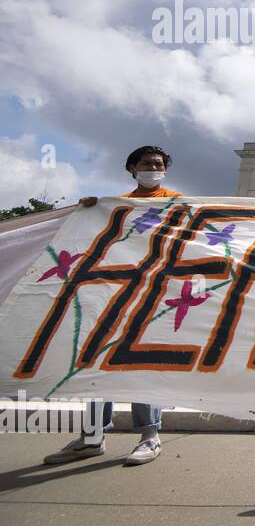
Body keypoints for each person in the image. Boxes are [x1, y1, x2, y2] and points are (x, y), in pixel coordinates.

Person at [44, 145, 180, 467]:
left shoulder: (175, 201)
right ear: (132, 168)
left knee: (139, 362)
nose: (154, 167)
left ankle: (149, 436)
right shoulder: (116, 204)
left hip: (153, 291)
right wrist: (87, 212)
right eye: (147, 163)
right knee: (93, 358)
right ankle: (92, 437)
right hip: (113, 288)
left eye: (159, 164)